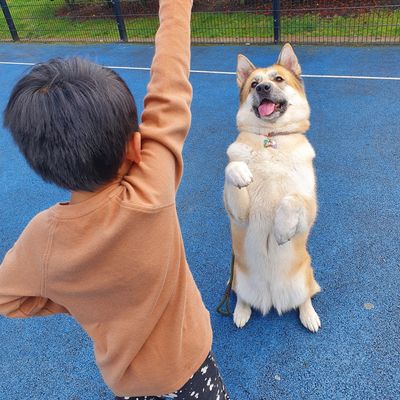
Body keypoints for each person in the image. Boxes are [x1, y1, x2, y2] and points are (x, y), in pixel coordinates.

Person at [0, 0, 230, 399]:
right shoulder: (151, 189)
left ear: (42, 166)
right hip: (193, 367)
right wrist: (175, 8)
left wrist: (76, 296)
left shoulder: (43, 240)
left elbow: (9, 299)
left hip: (131, 387)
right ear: (135, 148)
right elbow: (169, 88)